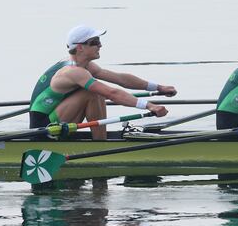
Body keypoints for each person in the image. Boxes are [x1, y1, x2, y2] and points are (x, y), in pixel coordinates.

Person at [29, 25, 177, 140]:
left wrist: (159, 87)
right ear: (80, 47)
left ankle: (99, 140)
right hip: (45, 129)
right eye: (95, 42)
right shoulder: (73, 72)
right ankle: (100, 144)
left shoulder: (83, 65)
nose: (100, 45)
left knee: (94, 92)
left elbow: (120, 79)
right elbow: (111, 93)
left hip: (56, 118)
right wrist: (149, 105)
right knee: (94, 93)